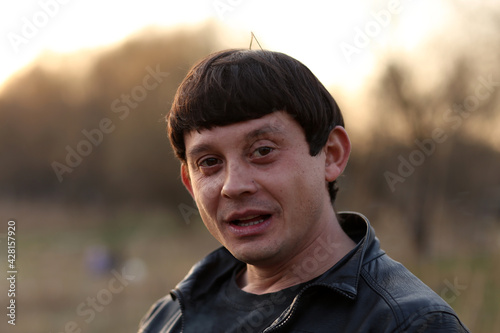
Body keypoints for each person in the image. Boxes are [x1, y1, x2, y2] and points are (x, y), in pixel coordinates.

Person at [138, 49, 470, 332]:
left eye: (263, 151)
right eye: (209, 162)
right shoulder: (170, 317)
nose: (234, 185)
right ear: (189, 184)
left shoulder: (407, 323)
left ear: (331, 154)